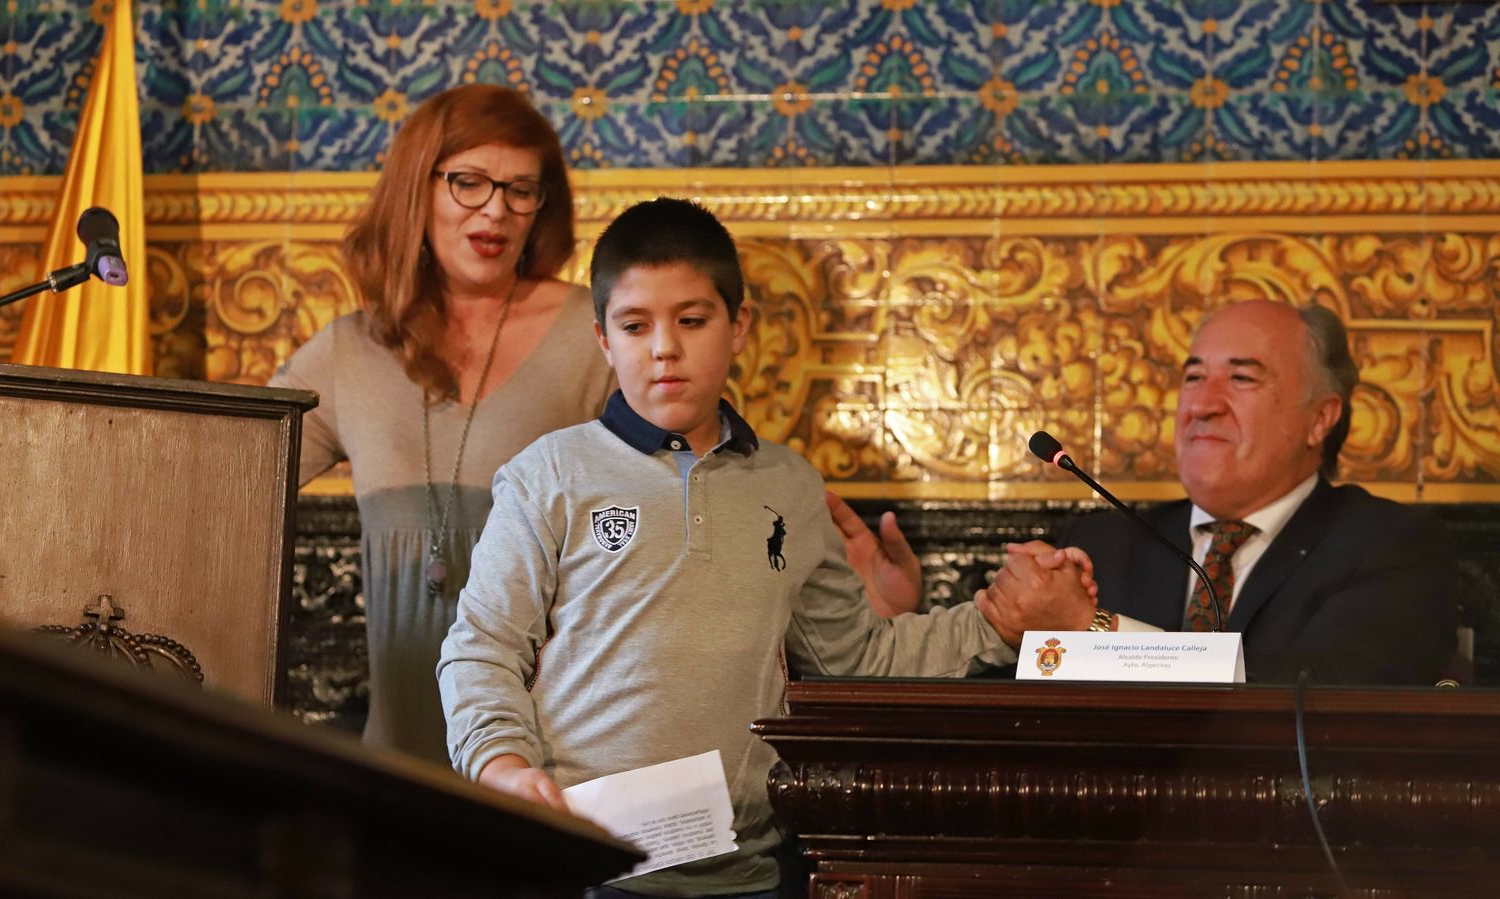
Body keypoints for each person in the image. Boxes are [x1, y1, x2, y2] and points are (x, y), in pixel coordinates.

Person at [437, 198, 1087, 898]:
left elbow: (857, 658)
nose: (664, 348)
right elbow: (483, 648)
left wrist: (997, 623)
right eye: (635, 325)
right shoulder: (549, 474)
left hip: (746, 874)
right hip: (582, 865)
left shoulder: (790, 485)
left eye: (692, 320)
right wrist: (501, 764)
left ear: (737, 325)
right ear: (602, 339)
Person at [830, 300, 1459, 685]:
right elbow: (1007, 708)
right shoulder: (1106, 542)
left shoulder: (1391, 546)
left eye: (1241, 379)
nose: (1203, 405)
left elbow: (1315, 692)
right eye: (1192, 378)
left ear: (1320, 417)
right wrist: (896, 633)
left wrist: (1092, 629)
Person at [271, 84, 615, 761]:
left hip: (555, 764)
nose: (497, 209)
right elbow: (225, 474)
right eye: (469, 182)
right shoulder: (349, 350)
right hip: (401, 762)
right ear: (416, 190)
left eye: (522, 189)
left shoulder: (596, 333)